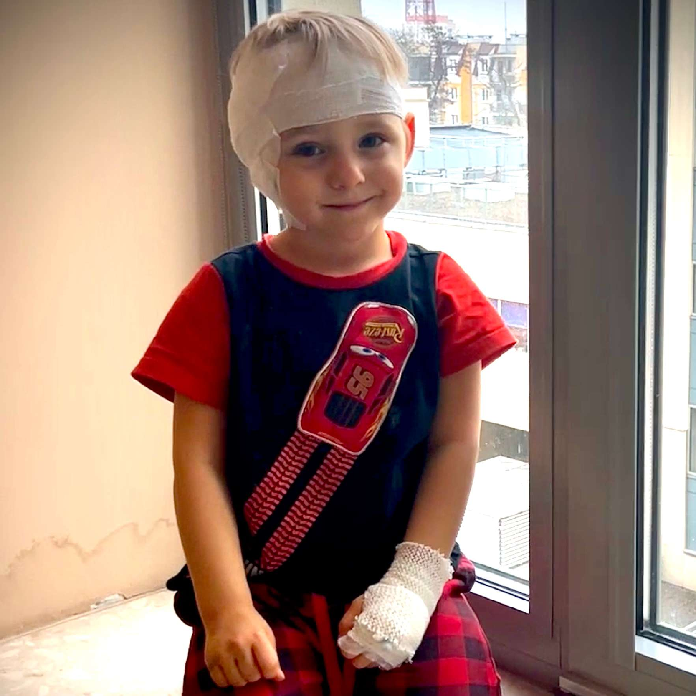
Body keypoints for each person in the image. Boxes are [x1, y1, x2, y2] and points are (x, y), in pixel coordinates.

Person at [132, 9, 516, 695]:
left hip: (404, 569)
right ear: (262, 160)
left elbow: (455, 445)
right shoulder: (222, 295)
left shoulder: (441, 289)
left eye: (372, 139)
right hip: (262, 582)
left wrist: (414, 583)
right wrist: (225, 608)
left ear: (408, 137)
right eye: (310, 149)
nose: (349, 173)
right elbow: (197, 464)